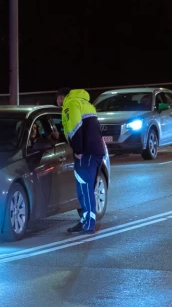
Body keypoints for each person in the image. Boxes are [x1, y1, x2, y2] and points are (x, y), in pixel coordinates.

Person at [57, 87, 105, 235]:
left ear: (62, 97)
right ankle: (85, 220)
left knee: (84, 188)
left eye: (58, 99)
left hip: (86, 153)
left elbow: (75, 128)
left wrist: (78, 150)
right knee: (87, 188)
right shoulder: (85, 103)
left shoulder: (70, 104)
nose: (58, 102)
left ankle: (89, 224)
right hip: (96, 151)